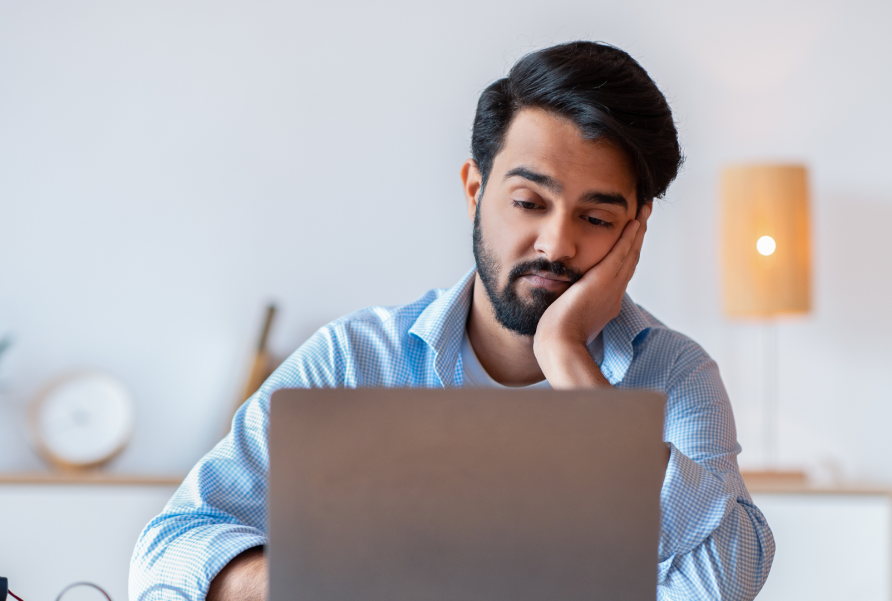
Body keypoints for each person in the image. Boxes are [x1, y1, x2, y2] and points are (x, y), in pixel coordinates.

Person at [130, 41, 775, 601]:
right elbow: (168, 552)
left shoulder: (677, 375)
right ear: (475, 191)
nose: (556, 243)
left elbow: (724, 581)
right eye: (529, 202)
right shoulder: (354, 359)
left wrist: (572, 364)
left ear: (635, 229)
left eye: (596, 218)